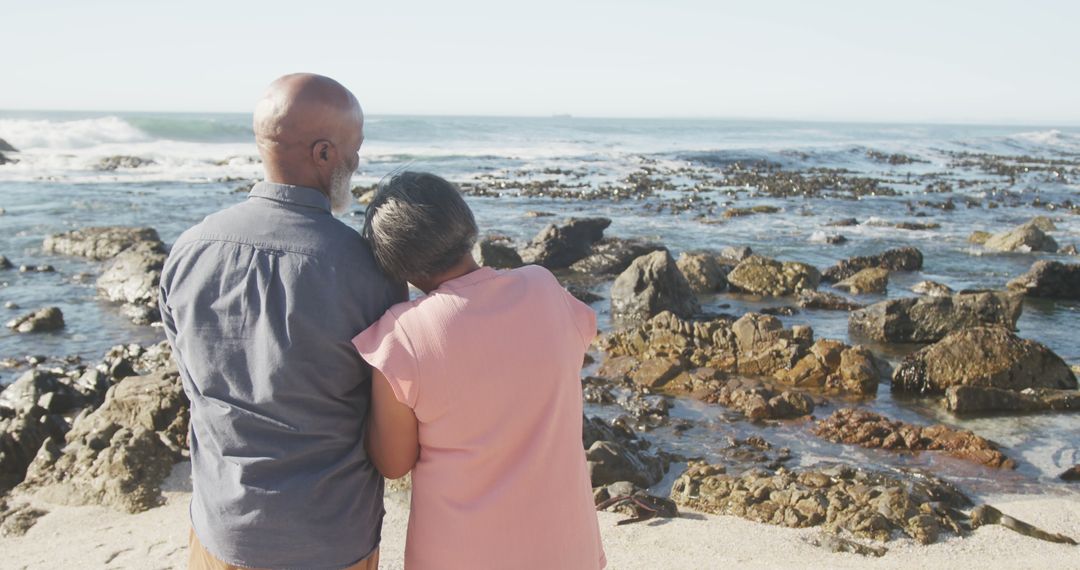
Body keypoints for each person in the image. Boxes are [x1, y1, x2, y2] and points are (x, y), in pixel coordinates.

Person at [160, 73, 404, 570]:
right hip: (333, 537)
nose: (357, 163)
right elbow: (386, 422)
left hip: (223, 530)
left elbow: (193, 385)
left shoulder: (188, 251)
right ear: (323, 154)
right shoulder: (370, 271)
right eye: (353, 150)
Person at [353, 171, 606, 569]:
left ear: (396, 265)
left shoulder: (401, 336)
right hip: (566, 548)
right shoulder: (543, 287)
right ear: (464, 222)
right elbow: (575, 348)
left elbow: (393, 461)